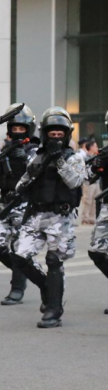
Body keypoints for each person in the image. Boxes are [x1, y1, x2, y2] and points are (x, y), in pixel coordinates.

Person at [11, 107, 87, 329]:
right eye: (51, 134)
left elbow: (75, 182)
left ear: (66, 135)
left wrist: (59, 161)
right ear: (45, 134)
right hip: (36, 214)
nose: (55, 137)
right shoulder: (36, 157)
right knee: (19, 256)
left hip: (59, 217)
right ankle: (46, 287)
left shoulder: (73, 158)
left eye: (59, 134)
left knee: (54, 261)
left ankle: (54, 309)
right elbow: (20, 185)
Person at [0, 104, 38, 306]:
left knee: (17, 247)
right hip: (5, 202)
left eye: (21, 129)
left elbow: (37, 175)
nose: (17, 133)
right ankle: (22, 270)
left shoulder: (35, 149)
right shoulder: (3, 148)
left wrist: (24, 160)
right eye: (14, 129)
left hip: (24, 202)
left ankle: (17, 288)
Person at [87, 111, 108, 312]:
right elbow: (87, 178)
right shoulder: (105, 152)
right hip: (107, 207)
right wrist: (97, 166)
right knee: (96, 251)